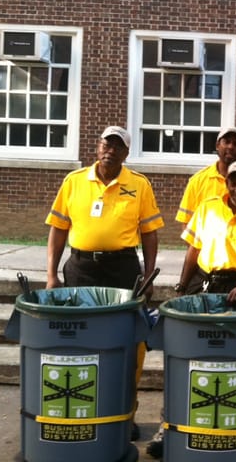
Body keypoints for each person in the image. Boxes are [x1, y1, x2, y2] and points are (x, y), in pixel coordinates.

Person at [45, 125, 165, 441]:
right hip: (81, 268)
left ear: (126, 153)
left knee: (126, 343)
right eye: (105, 143)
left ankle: (125, 414)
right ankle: (85, 412)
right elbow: (58, 229)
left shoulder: (139, 185)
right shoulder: (74, 182)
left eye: (117, 146)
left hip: (123, 269)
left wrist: (148, 276)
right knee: (80, 342)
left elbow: (150, 234)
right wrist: (51, 274)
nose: (109, 150)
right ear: (97, 147)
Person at [147, 160, 236, 459]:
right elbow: (194, 249)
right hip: (203, 284)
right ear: (227, 183)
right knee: (185, 355)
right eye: (234, 182)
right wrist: (181, 284)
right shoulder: (207, 207)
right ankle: (169, 426)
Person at [174, 126, 236, 294]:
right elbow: (192, 239)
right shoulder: (201, 189)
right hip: (205, 273)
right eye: (227, 142)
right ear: (218, 145)